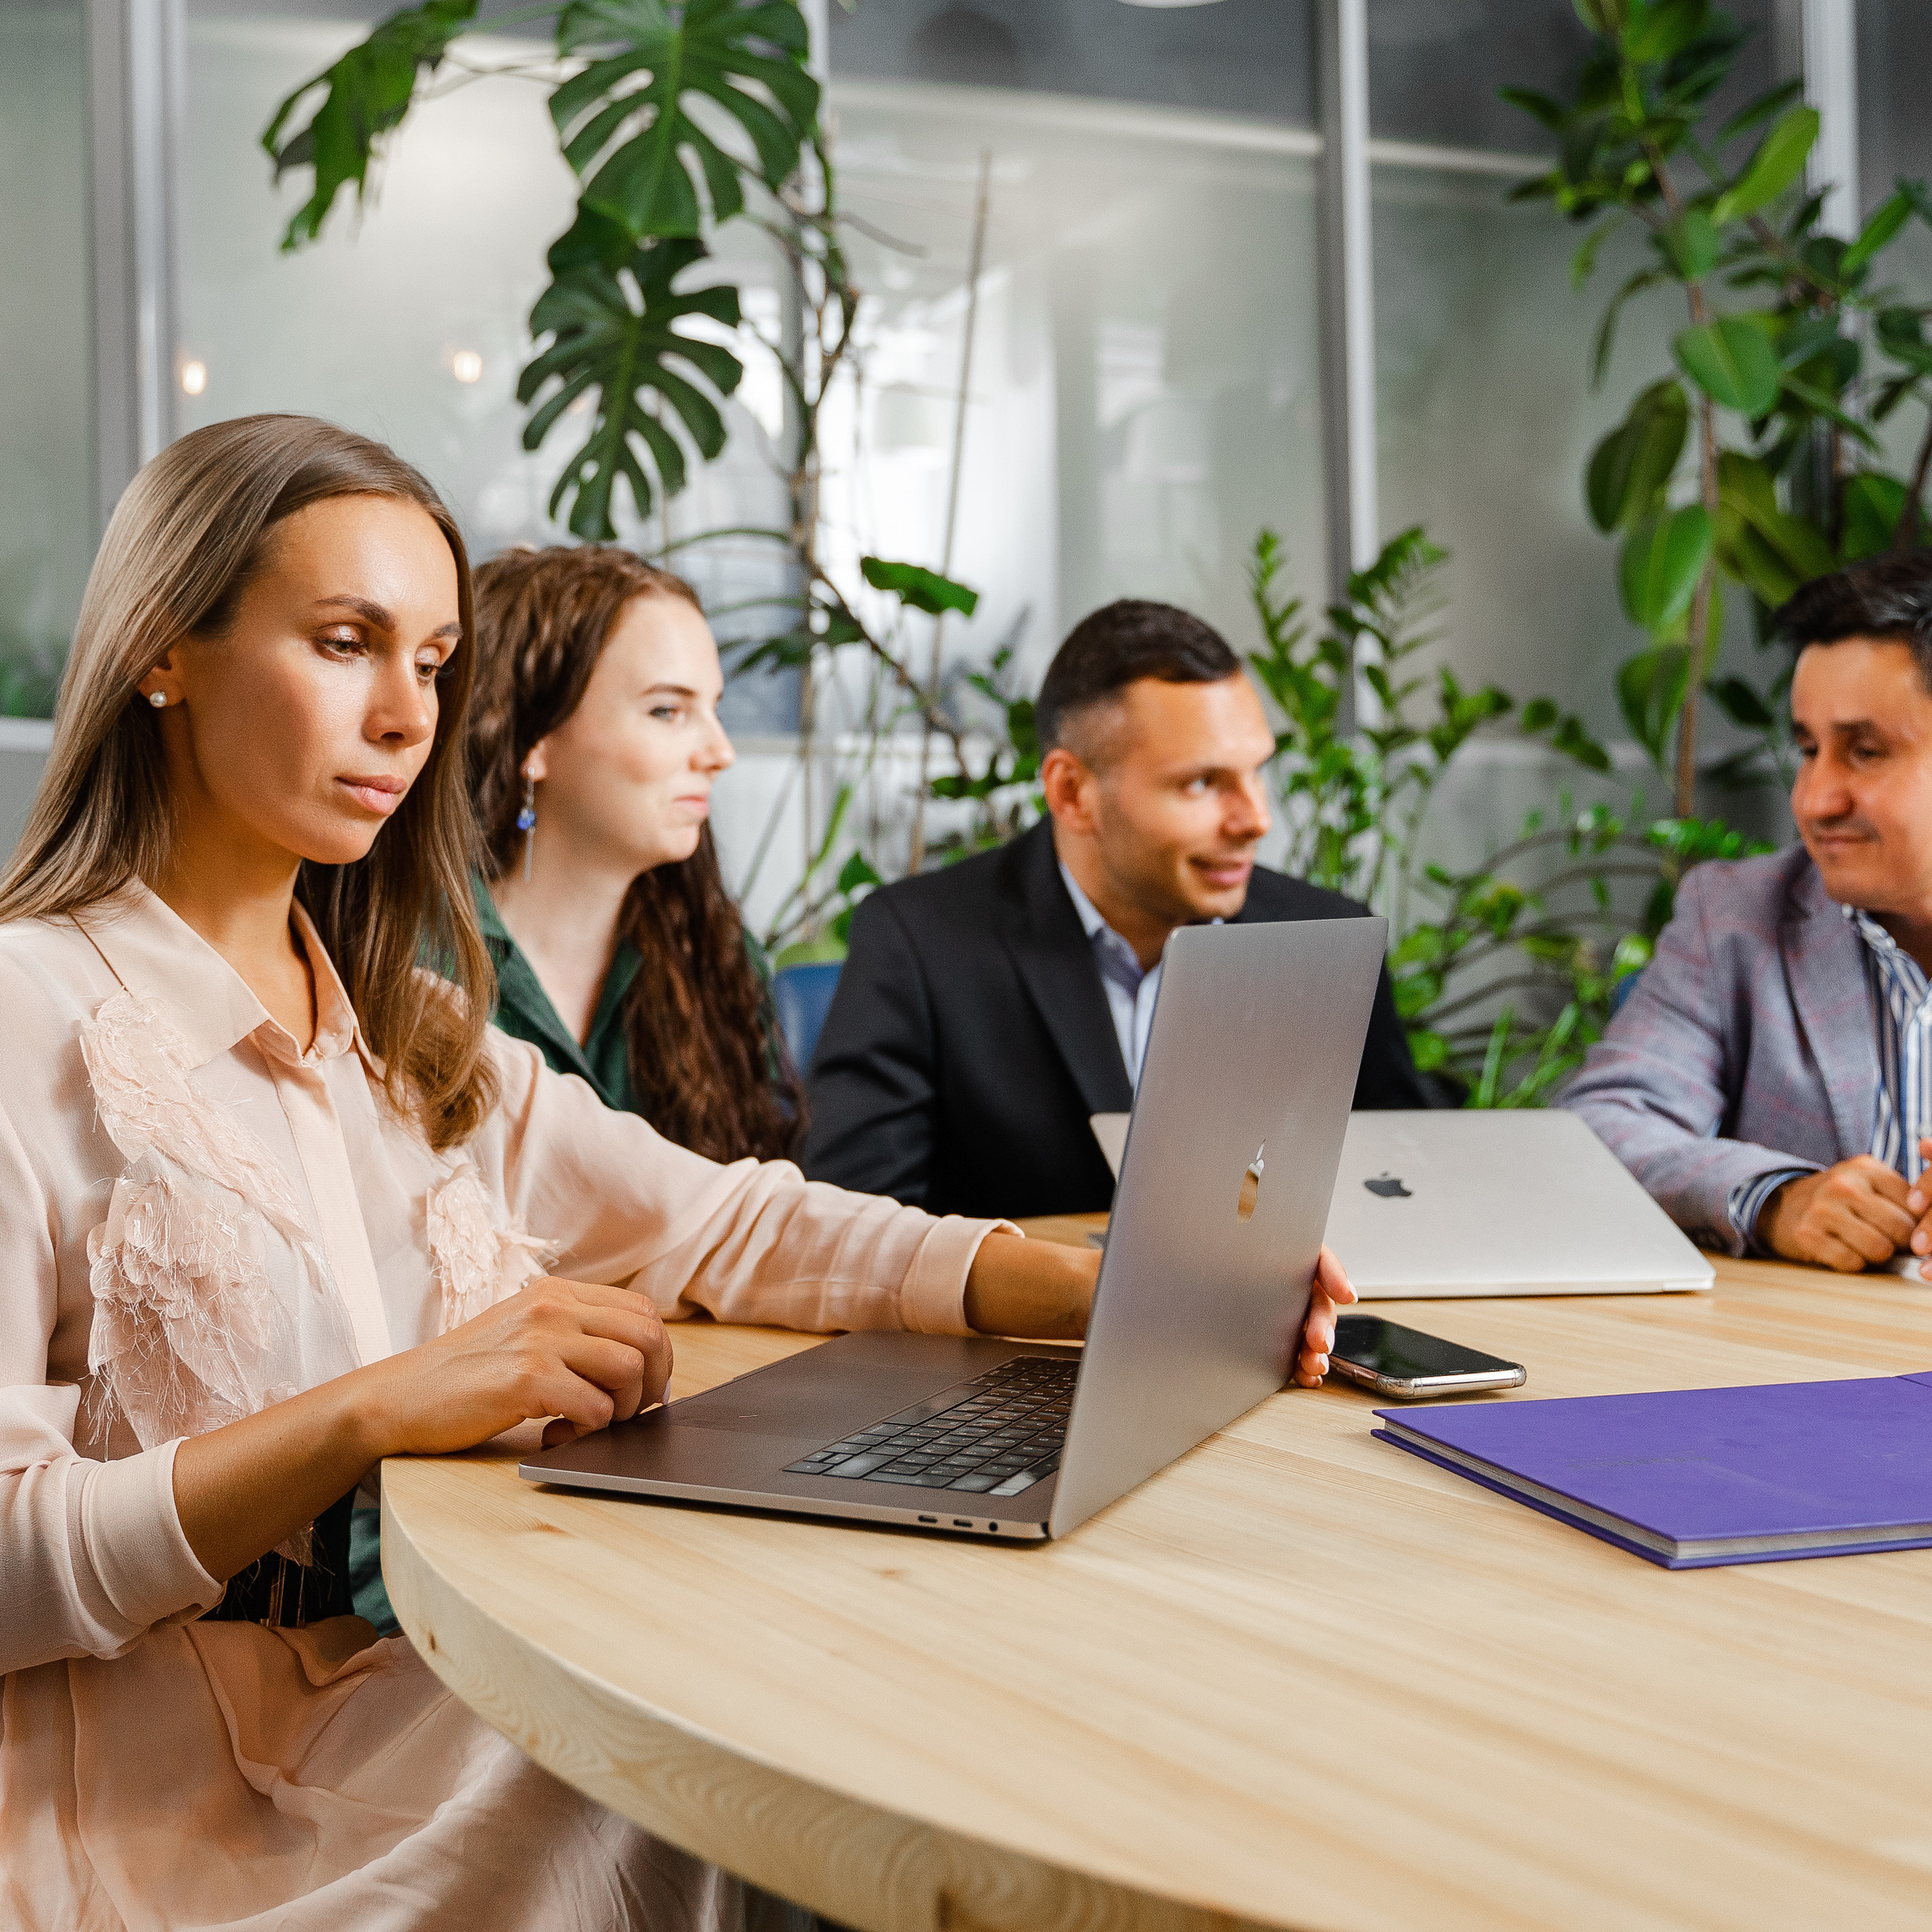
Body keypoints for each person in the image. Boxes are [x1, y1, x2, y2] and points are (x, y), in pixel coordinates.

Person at [0, 415, 1364, 1931]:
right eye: (343, 643)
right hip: (134, 1807)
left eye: (436, 661)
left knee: (813, 1692)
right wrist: (377, 1407)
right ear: (162, 652)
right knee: (732, 1747)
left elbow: (730, 1218)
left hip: (386, 1703)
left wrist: (1081, 1280)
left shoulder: (407, 1030)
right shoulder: (28, 1012)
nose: (405, 714)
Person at [802, 599, 1431, 1218]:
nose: (1255, 820)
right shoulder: (919, 941)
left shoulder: (1326, 936)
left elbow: (1402, 1194)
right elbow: (853, 1230)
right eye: (1202, 783)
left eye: (1256, 772)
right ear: (1072, 793)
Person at [1562, 551, 1932, 1275]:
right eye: (1807, 749)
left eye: (1865, 751)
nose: (1815, 800)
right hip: (1813, 1370)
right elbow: (1596, 1129)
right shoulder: (1736, 917)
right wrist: (1775, 1199)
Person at [466, 543, 799, 1160]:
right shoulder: (406, 958)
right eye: (668, 711)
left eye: (714, 708)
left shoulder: (714, 957)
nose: (720, 751)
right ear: (532, 739)